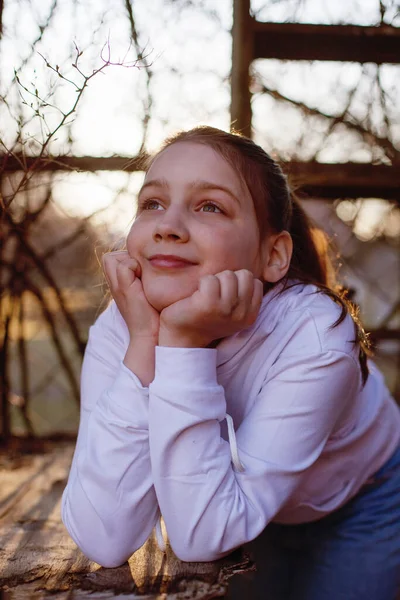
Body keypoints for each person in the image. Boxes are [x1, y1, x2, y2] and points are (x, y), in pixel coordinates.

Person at [61, 126, 400, 600]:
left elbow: (205, 535)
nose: (167, 225)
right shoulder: (123, 326)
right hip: (242, 504)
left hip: (362, 500)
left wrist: (183, 347)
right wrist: (149, 342)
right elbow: (104, 536)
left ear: (273, 255)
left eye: (210, 207)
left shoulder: (315, 336)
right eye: (152, 203)